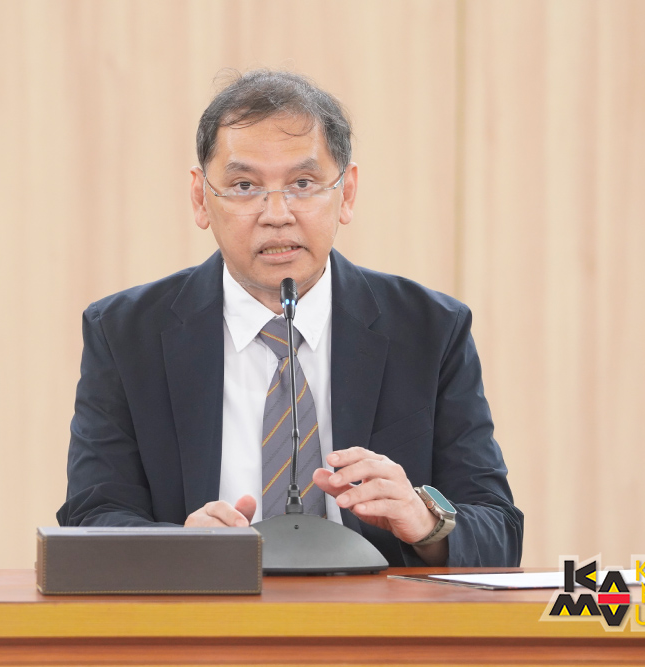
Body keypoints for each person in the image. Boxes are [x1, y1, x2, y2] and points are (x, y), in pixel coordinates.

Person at [57, 70, 523, 567]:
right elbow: (91, 520)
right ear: (200, 198)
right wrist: (177, 549)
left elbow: (498, 529)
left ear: (346, 193)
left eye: (303, 183)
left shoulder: (430, 330)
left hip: (375, 615)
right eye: (244, 185)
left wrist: (427, 523)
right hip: (208, 612)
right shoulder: (126, 335)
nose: (277, 213)